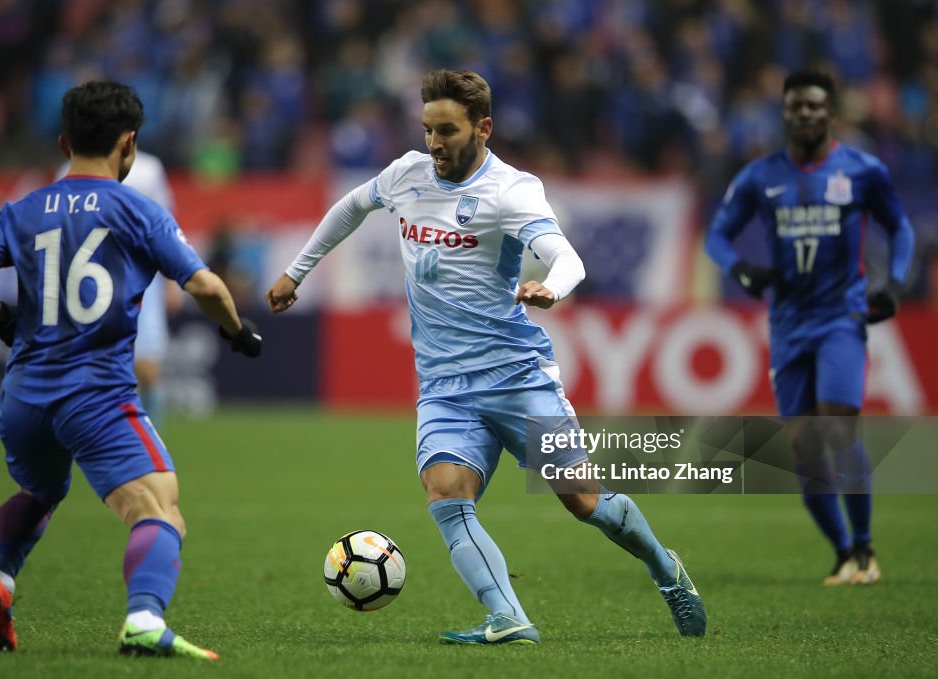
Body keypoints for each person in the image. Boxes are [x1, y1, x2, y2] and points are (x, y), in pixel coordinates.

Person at [267, 69, 706, 643]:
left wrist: (552, 286)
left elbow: (566, 257)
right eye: (427, 129)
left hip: (517, 376)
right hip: (445, 385)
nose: (434, 143)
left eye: (446, 130)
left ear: (484, 128)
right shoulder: (406, 175)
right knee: (446, 491)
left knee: (585, 502)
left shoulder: (511, 191)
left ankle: (664, 568)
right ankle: (509, 617)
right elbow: (351, 207)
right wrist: (296, 271)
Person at [0, 81, 262, 658]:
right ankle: (143, 619)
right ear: (129, 144)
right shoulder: (138, 209)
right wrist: (237, 331)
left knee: (37, 491)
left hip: (23, 397)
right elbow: (206, 285)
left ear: (64, 141)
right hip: (96, 396)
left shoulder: (23, 210)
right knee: (161, 509)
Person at [704, 69, 915, 586]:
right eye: (795, 106)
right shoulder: (760, 176)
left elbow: (900, 227)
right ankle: (843, 552)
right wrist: (742, 269)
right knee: (802, 447)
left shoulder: (861, 171)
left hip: (841, 317)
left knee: (838, 422)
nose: (804, 114)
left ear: (831, 113)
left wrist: (894, 284)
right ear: (784, 113)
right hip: (788, 324)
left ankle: (865, 549)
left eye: (814, 106)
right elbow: (718, 236)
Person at [60, 150, 178, 428]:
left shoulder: (149, 168)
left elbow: (165, 224)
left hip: (143, 276)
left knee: (147, 369)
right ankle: (103, 435)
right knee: (95, 368)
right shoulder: (69, 170)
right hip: (91, 282)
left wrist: (171, 280)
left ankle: (151, 437)